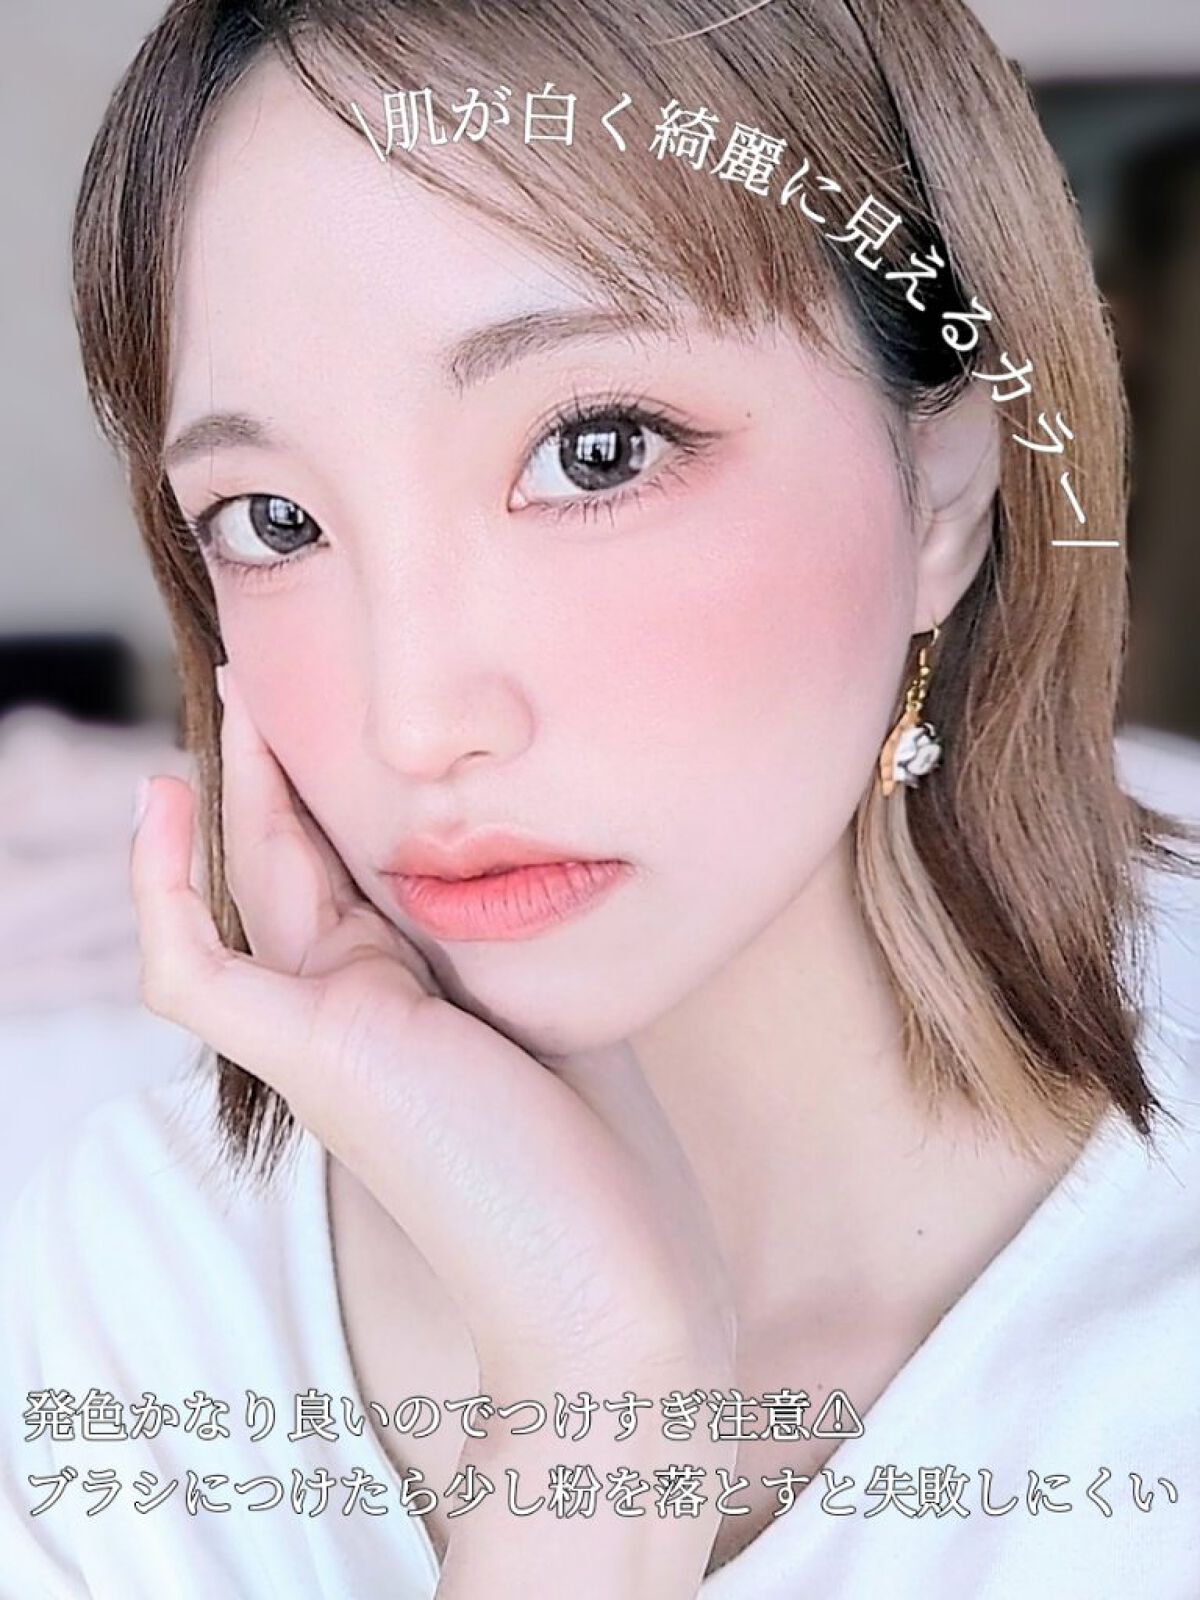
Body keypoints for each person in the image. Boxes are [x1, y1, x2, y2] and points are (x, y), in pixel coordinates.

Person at [3, 1, 1199, 1595]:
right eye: (274, 520)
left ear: (944, 494)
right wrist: (599, 1399)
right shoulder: (142, 1292)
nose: (415, 721)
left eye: (597, 449)